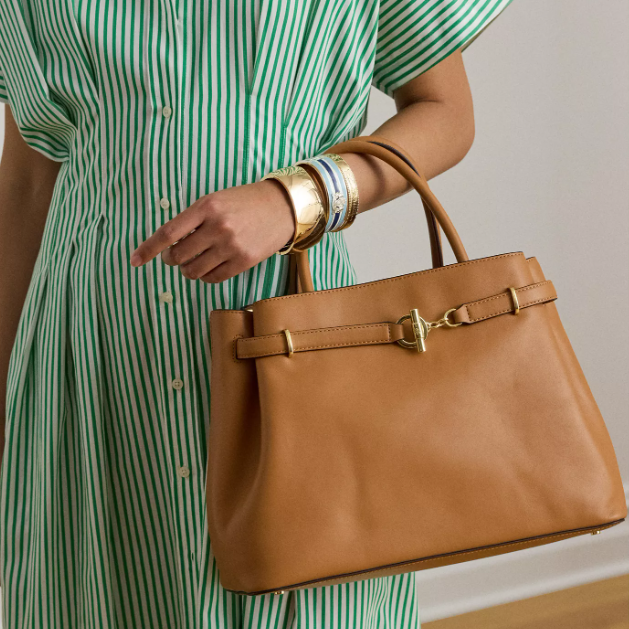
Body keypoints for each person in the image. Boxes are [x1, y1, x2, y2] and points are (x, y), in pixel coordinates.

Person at [0, 1, 512, 627]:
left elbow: (446, 112)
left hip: (288, 333)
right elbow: (28, 180)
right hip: (91, 348)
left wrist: (298, 197)